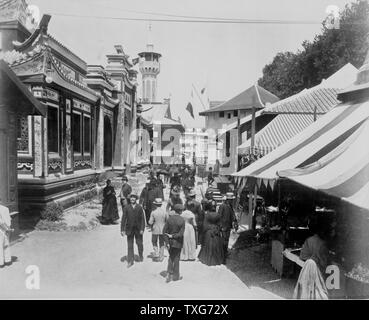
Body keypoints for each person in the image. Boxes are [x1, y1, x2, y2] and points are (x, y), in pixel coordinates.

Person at [121, 194, 146, 268]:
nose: (132, 199)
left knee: (139, 243)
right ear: (129, 199)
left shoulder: (139, 207)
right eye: (131, 197)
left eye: (134, 198)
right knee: (130, 245)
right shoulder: (126, 207)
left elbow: (142, 220)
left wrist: (142, 229)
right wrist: (122, 229)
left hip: (138, 229)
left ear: (136, 199)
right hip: (129, 229)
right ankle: (130, 260)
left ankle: (140, 255)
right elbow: (123, 219)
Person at [163, 204, 185, 283]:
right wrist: (173, 236)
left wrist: (167, 242)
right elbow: (181, 234)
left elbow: (164, 232)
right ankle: (176, 276)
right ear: (181, 211)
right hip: (178, 242)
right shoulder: (182, 220)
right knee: (176, 258)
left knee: (171, 257)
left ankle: (169, 274)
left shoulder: (169, 219)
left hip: (170, 243)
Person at [218, 192, 238, 263]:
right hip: (223, 227)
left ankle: (225, 254)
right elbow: (219, 216)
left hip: (228, 226)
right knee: (223, 242)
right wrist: (220, 226)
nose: (232, 201)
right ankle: (222, 257)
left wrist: (235, 222)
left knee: (226, 241)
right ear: (228, 199)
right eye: (231, 200)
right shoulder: (222, 206)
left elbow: (232, 215)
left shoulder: (230, 206)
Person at [0, 202, 13, 268]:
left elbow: (1, 222)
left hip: (1, 228)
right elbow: (8, 219)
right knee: (6, 244)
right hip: (6, 228)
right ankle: (8, 260)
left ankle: (1, 262)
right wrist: (8, 228)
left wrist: (6, 228)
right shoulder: (5, 208)